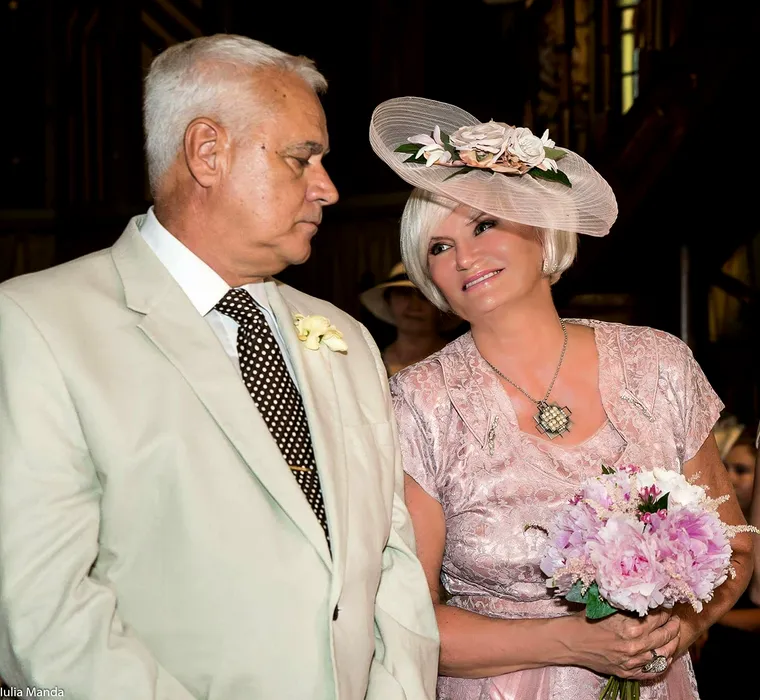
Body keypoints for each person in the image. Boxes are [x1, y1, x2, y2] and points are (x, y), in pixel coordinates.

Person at [0, 36, 438, 699]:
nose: (327, 188)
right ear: (207, 152)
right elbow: (43, 614)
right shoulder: (42, 325)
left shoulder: (345, 338)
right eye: (301, 159)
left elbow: (392, 562)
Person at [368, 96, 753, 699]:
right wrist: (570, 641)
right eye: (438, 248)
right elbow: (407, 617)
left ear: (542, 229)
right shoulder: (418, 403)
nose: (464, 257)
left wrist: (679, 627)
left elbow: (734, 545)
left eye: (484, 224)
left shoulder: (658, 363)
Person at [692, 426, 760, 699]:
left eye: (742, 470)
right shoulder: (711, 528)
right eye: (726, 467)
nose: (730, 477)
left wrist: (705, 619)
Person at [360, 262, 448, 375]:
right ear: (388, 301)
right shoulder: (369, 362)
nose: (415, 306)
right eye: (404, 293)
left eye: (424, 296)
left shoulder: (459, 361)